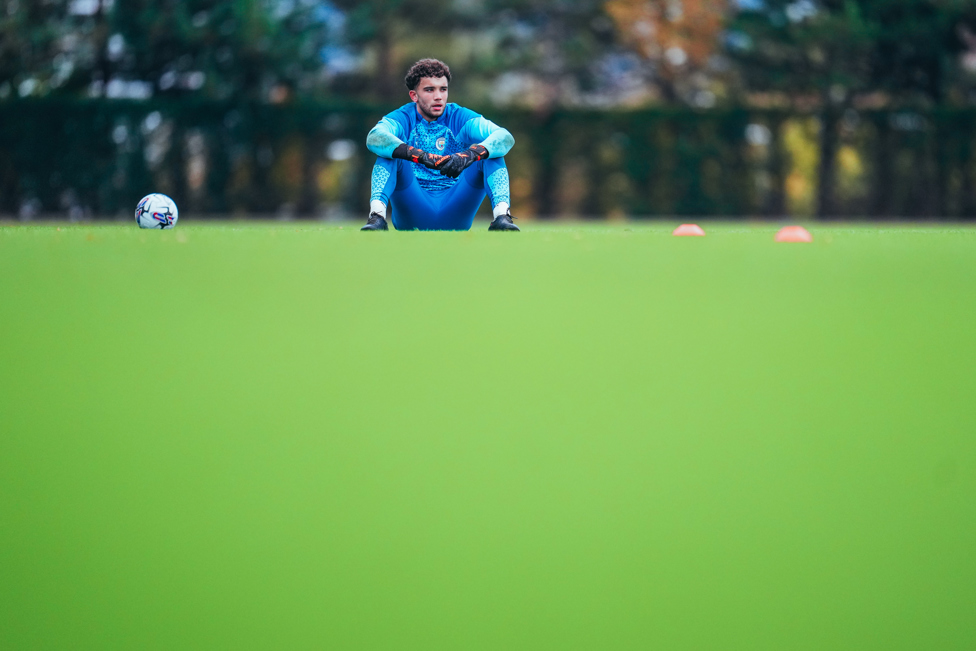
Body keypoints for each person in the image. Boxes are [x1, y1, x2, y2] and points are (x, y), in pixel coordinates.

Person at [361, 58, 519, 231]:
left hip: (455, 211)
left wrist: (470, 154)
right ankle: (376, 217)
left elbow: (504, 137)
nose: (438, 97)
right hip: (412, 211)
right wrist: (420, 156)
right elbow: (374, 137)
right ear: (414, 95)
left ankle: (502, 217)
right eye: (429, 90)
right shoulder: (403, 117)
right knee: (388, 154)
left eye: (443, 89)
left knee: (491, 154)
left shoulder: (459, 116)